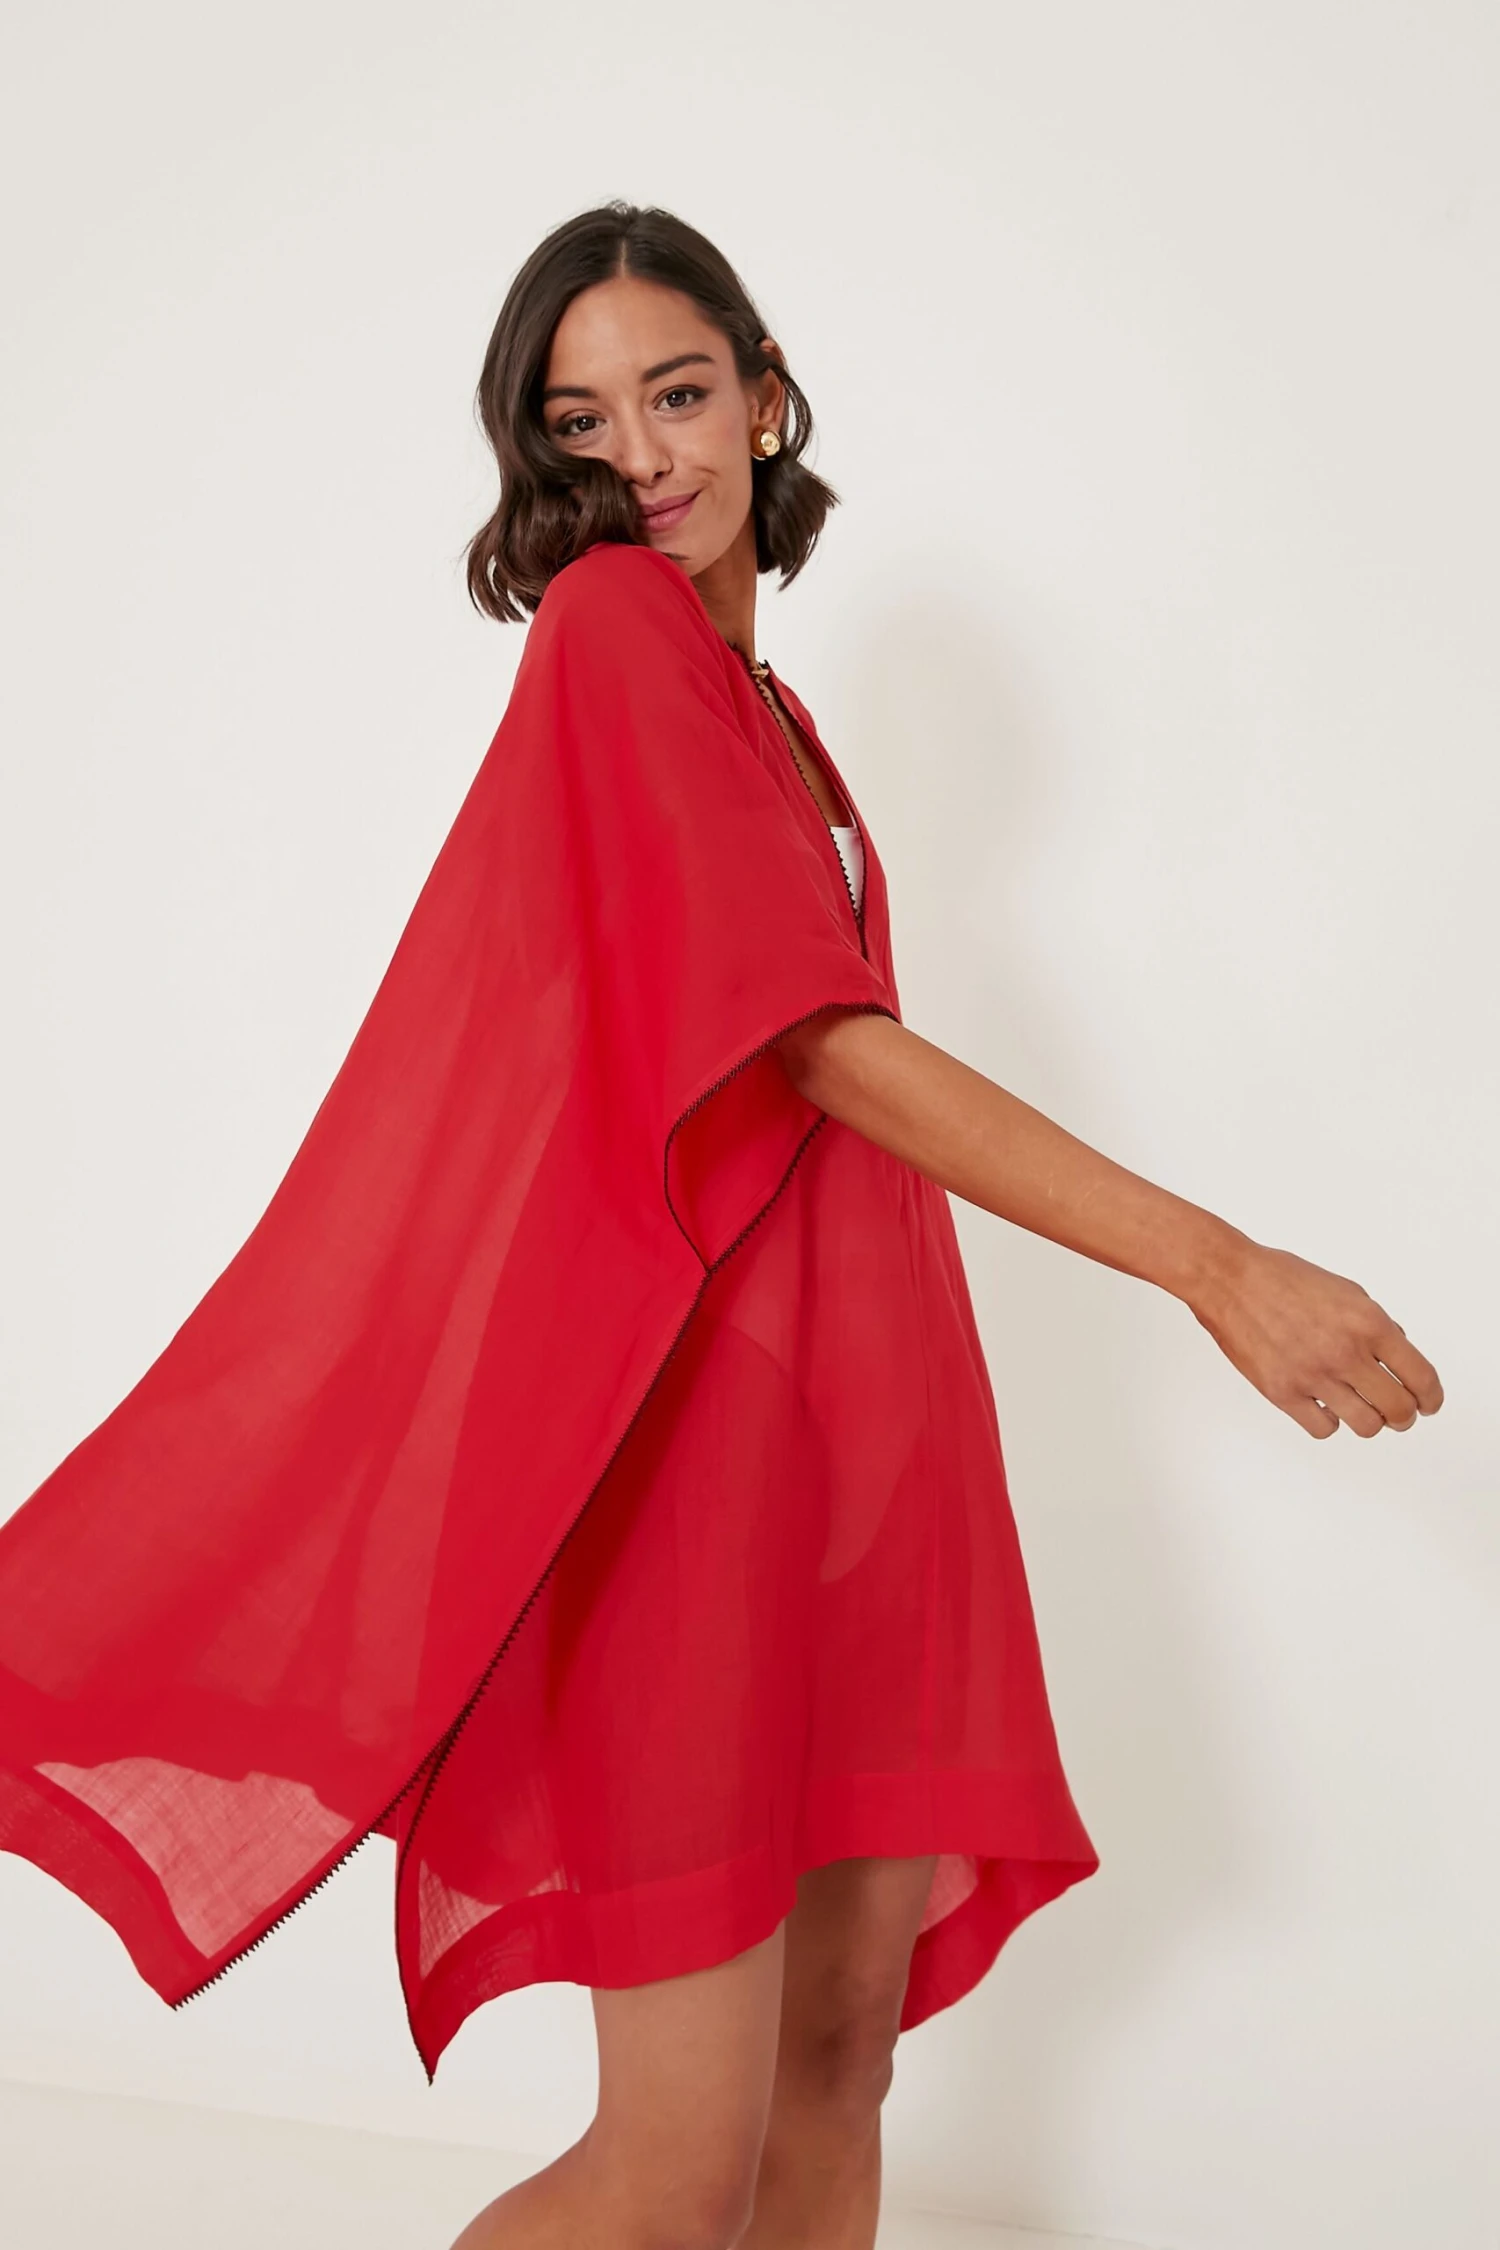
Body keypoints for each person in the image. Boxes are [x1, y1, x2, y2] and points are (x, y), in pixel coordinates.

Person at [0, 201, 1442, 2250]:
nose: (644, 456)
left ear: (768, 396)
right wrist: (1218, 1264)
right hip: (694, 1474)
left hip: (872, 1465)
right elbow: (815, 1048)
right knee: (674, 2173)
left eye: (678, 393)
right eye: (582, 422)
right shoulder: (612, 637)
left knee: (836, 2077)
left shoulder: (763, 708)